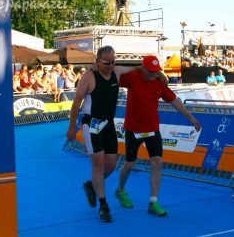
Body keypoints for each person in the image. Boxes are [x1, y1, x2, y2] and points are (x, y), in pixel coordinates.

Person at [66, 46, 166, 222]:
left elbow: (139, 67)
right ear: (97, 61)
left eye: (112, 62)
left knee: (111, 165)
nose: (110, 66)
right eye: (106, 63)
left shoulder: (117, 71)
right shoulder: (89, 76)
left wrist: (161, 74)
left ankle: (91, 185)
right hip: (91, 125)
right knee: (98, 163)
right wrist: (71, 128)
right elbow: (76, 104)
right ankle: (104, 206)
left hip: (108, 125)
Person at [115, 55, 201, 216]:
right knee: (129, 164)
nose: (155, 74)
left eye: (157, 71)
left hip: (152, 129)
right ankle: (120, 190)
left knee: (157, 161)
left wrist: (191, 118)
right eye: (151, 71)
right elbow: (114, 71)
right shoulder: (133, 78)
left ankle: (153, 202)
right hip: (133, 129)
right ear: (144, 69)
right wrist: (137, 68)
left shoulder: (159, 83)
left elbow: (175, 101)